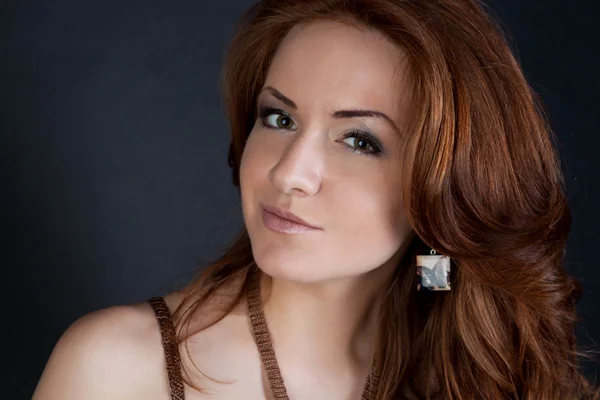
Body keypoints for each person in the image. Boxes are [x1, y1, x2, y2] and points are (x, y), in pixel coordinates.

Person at [32, 0, 599, 399]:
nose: (291, 172)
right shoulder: (116, 368)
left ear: (446, 188)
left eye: (360, 140)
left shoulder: (484, 378)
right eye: (278, 118)